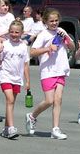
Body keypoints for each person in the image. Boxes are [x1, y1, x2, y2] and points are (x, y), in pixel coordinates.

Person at [26, 8, 75, 140]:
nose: (54, 23)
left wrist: (68, 41)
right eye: (51, 21)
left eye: (56, 20)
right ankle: (32, 116)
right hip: (47, 71)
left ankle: (55, 129)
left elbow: (72, 47)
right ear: (46, 21)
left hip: (61, 69)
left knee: (58, 100)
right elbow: (32, 52)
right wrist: (48, 48)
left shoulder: (61, 31)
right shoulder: (43, 34)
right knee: (49, 100)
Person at [0, 20, 30, 139]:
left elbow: (25, 65)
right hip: (5, 76)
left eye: (17, 32)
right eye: (11, 32)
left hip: (17, 78)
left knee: (11, 103)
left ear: (22, 33)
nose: (14, 34)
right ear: (8, 32)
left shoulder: (24, 46)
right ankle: (12, 128)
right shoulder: (5, 45)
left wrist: (27, 81)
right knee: (10, 99)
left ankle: (6, 128)